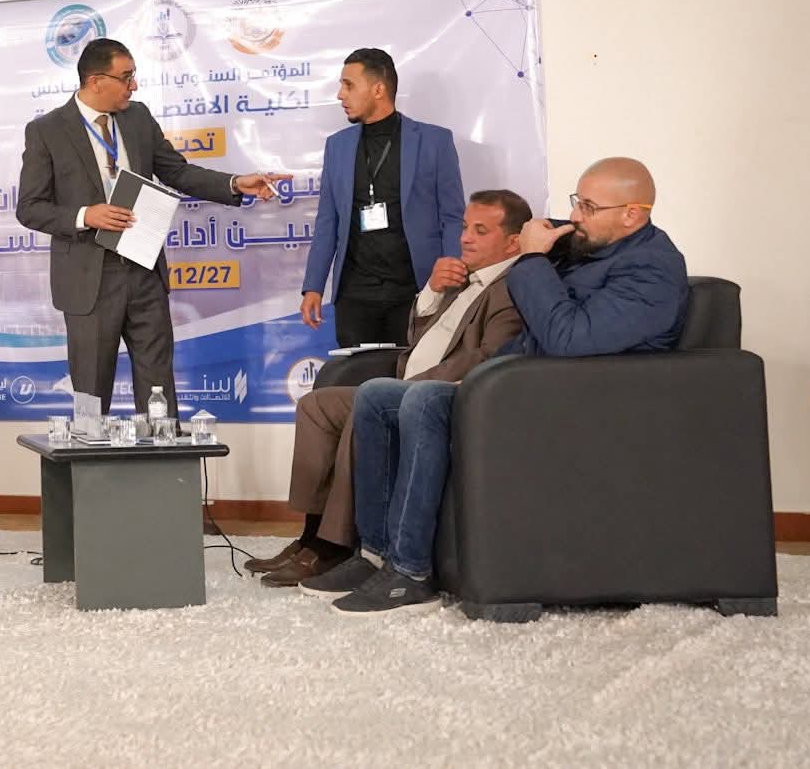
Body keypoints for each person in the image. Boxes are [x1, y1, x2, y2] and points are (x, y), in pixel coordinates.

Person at [313, 157, 688, 614]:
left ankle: (409, 573)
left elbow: (569, 339)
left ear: (632, 214)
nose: (575, 216)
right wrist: (534, 238)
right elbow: (536, 239)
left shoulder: (652, 270)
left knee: (426, 400)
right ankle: (375, 554)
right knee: (376, 396)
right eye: (577, 202)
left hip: (578, 405)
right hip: (525, 387)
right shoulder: (593, 243)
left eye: (589, 208)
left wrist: (532, 258)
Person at [248, 190, 530, 587]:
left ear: (513, 242)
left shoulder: (513, 287)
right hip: (403, 384)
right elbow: (418, 337)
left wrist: (415, 383)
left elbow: (487, 357)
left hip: (436, 397)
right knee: (315, 405)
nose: (465, 238)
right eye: (466, 227)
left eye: (481, 231)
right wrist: (433, 291)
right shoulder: (463, 276)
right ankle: (311, 536)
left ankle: (333, 548)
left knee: (367, 402)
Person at [16, 37, 286, 419]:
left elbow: (178, 172)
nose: (134, 85)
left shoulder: (137, 117)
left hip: (144, 271)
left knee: (158, 386)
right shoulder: (47, 130)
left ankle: (163, 454)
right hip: (88, 280)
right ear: (96, 81)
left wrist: (235, 183)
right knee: (91, 392)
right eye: (126, 77)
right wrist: (85, 215)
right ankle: (90, 454)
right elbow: (29, 208)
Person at [299, 48, 466, 347]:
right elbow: (327, 220)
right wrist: (313, 286)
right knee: (356, 375)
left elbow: (453, 217)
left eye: (349, 85)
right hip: (355, 295)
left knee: (413, 373)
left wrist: (450, 278)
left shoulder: (435, 141)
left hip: (417, 290)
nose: (340, 95)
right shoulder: (337, 146)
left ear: (378, 89)